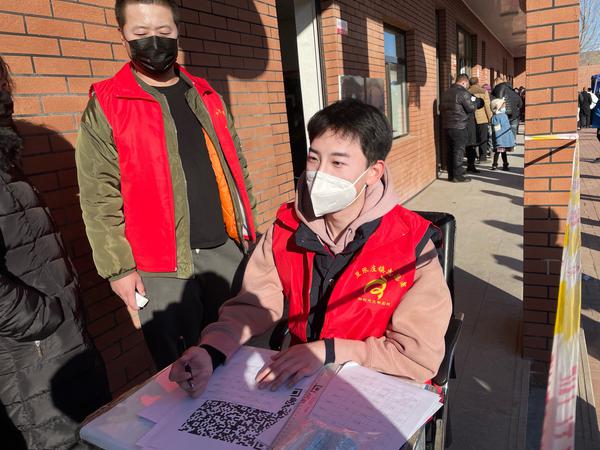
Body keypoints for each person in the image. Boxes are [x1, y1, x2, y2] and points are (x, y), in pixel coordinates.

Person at [169, 99, 453, 397]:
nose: (320, 174)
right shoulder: (285, 229)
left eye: (338, 163)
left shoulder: (412, 244)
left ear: (374, 171)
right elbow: (253, 305)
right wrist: (211, 351)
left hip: (377, 385)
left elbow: (416, 358)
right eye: (314, 159)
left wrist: (331, 351)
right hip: (301, 379)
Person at [75, 0, 257, 369]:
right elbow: (98, 195)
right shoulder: (108, 103)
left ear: (177, 31)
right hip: (160, 269)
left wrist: (249, 235)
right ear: (123, 36)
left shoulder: (206, 95)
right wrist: (119, 269)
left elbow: (237, 169)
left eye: (163, 31)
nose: (154, 41)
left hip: (225, 250)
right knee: (183, 369)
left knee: (242, 356)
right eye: (141, 33)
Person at [0, 56, 110, 450]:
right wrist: (43, 318)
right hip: (31, 353)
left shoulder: (6, 161)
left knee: (91, 432)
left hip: (57, 344)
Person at [440, 73, 484, 182]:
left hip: (446, 126)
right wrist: (477, 102)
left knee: (450, 151)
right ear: (464, 82)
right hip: (459, 126)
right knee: (458, 151)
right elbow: (471, 108)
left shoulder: (445, 93)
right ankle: (458, 176)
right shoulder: (463, 93)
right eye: (467, 84)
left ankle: (451, 175)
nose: (467, 86)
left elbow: (441, 108)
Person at [468, 77, 493, 164]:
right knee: (483, 139)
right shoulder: (483, 91)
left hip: (471, 119)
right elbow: (487, 106)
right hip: (482, 119)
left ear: (470, 83)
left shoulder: (467, 91)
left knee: (472, 139)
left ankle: (474, 157)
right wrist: (490, 118)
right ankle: (482, 158)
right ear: (478, 82)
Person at [490, 98, 515, 171]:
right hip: (500, 139)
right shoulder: (496, 117)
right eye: (503, 106)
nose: (504, 108)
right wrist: (498, 140)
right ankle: (495, 165)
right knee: (498, 152)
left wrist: (511, 138)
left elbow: (508, 128)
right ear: (498, 108)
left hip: (505, 138)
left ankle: (505, 164)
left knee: (504, 152)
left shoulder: (504, 115)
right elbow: (497, 130)